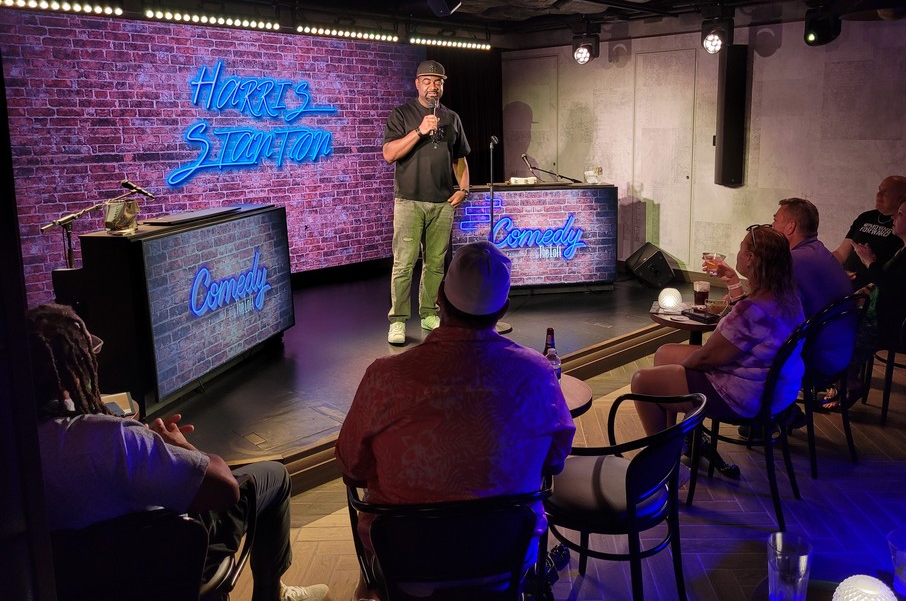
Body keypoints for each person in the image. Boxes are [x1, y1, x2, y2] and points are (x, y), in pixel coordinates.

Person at [27, 303, 329, 601]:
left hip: (81, 586)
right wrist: (177, 445)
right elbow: (225, 492)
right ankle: (272, 594)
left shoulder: (16, 451)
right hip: (162, 568)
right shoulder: (114, 439)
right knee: (274, 476)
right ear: (76, 371)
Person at [336, 241, 575, 593]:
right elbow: (554, 461)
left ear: (441, 300)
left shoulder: (385, 378)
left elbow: (350, 466)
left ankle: (370, 591)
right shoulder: (538, 374)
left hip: (404, 564)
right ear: (504, 308)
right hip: (507, 561)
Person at [631, 225, 804, 435]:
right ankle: (677, 438)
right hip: (776, 388)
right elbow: (749, 330)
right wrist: (732, 280)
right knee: (664, 353)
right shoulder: (787, 297)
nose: (738, 253)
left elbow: (707, 358)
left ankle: (661, 454)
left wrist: (684, 368)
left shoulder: (752, 311)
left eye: (741, 248)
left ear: (750, 257)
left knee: (643, 381)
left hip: (743, 396)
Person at [825, 192, 906, 410]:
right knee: (835, 324)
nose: (894, 218)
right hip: (893, 317)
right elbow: (893, 284)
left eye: (900, 214)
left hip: (905, 326)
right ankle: (841, 380)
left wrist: (869, 262)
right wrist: (867, 288)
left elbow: (894, 289)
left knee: (835, 336)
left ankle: (848, 382)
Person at [382, 59, 472, 346]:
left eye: (438, 82)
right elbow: (389, 154)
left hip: (442, 202)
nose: (433, 87)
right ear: (417, 84)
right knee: (404, 264)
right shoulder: (402, 114)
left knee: (435, 264)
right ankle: (397, 321)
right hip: (409, 201)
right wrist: (420, 131)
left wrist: (464, 189)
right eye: (428, 81)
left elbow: (460, 159)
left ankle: (429, 313)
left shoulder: (452, 117)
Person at [772, 198, 853, 375]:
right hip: (842, 352)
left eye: (775, 220)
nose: (771, 226)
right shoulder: (820, 251)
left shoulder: (792, 261)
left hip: (817, 359)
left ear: (790, 227)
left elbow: (765, 309)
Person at [832, 175, 906, 287]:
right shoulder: (866, 217)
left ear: (903, 198)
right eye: (879, 190)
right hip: (844, 280)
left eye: (885, 192)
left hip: (869, 289)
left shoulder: (904, 227)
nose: (878, 194)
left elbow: (895, 276)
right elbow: (841, 253)